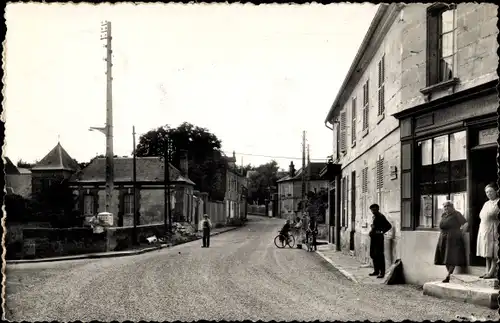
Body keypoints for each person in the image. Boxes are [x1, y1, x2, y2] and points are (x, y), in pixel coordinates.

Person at [434, 200, 468, 283]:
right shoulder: (443, 215)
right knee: (444, 256)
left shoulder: (457, 214)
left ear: (452, 207)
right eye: (444, 206)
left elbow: (465, 223)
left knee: (451, 256)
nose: (445, 208)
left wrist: (462, 233)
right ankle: (449, 274)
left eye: (447, 206)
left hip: (453, 238)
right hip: (443, 238)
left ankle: (448, 275)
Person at [476, 183, 499, 279]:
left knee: (494, 251)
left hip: (494, 229)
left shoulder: (498, 202)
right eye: (486, 192)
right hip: (484, 229)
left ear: (496, 191)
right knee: (486, 251)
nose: (488, 194)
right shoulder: (486, 203)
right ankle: (487, 271)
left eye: (490, 191)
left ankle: (492, 271)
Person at [369, 204, 392, 278]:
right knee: (373, 254)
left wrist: (381, 231)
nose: (373, 211)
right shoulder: (375, 217)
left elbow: (389, 226)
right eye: (372, 210)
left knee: (379, 255)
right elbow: (375, 227)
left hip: (378, 238)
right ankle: (376, 271)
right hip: (373, 238)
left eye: (374, 210)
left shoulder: (381, 216)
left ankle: (382, 273)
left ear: (377, 209)